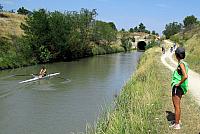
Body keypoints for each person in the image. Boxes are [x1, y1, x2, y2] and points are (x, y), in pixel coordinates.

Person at [170, 47, 189, 129]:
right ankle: (178, 120)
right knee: (177, 106)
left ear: (176, 55)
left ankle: (177, 125)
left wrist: (178, 84)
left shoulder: (181, 64)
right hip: (180, 88)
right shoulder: (184, 63)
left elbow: (185, 76)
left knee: (176, 106)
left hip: (177, 88)